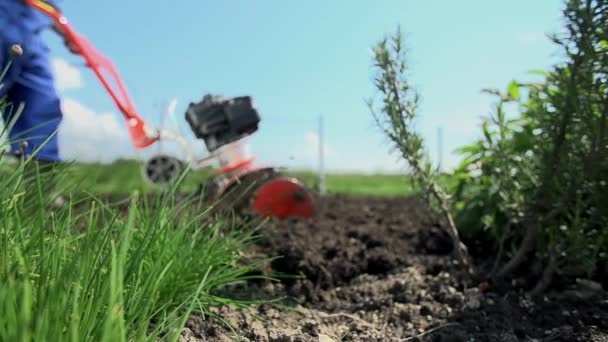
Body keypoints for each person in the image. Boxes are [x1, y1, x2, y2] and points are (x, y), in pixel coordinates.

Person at [0, 0, 77, 206]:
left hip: (30, 36)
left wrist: (68, 34)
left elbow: (47, 8)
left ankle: (41, 192)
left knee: (41, 104)